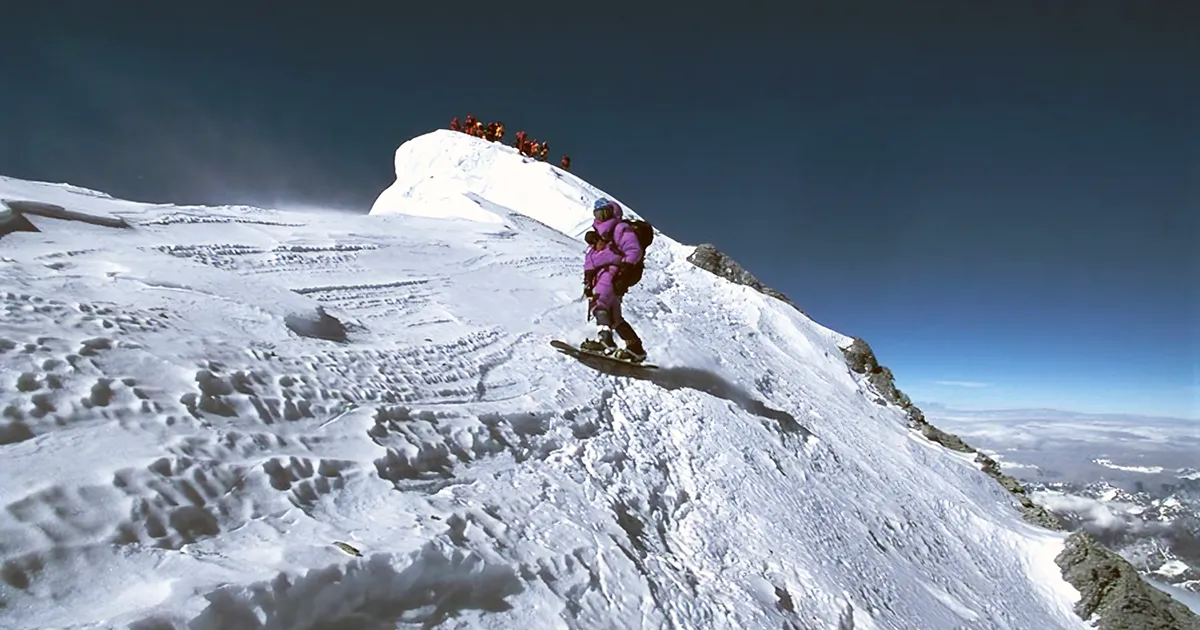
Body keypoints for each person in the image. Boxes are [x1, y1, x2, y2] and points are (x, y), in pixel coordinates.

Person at [580, 198, 646, 362]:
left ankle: (605, 342)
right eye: (598, 214)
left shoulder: (620, 228)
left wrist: (625, 270)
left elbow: (633, 249)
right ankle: (635, 348)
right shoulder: (600, 237)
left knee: (599, 304)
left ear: (613, 212)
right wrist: (588, 282)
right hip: (603, 276)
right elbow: (590, 260)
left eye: (605, 213)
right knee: (614, 317)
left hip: (613, 274)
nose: (602, 217)